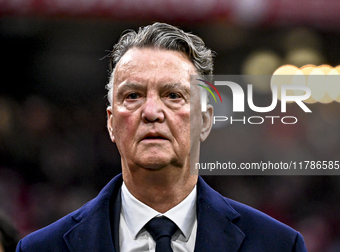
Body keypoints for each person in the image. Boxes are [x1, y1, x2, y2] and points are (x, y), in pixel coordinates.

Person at [16, 22, 307, 252]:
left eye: (173, 95)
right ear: (111, 123)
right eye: (132, 96)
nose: (152, 111)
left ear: (205, 121)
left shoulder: (278, 245)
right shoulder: (41, 248)